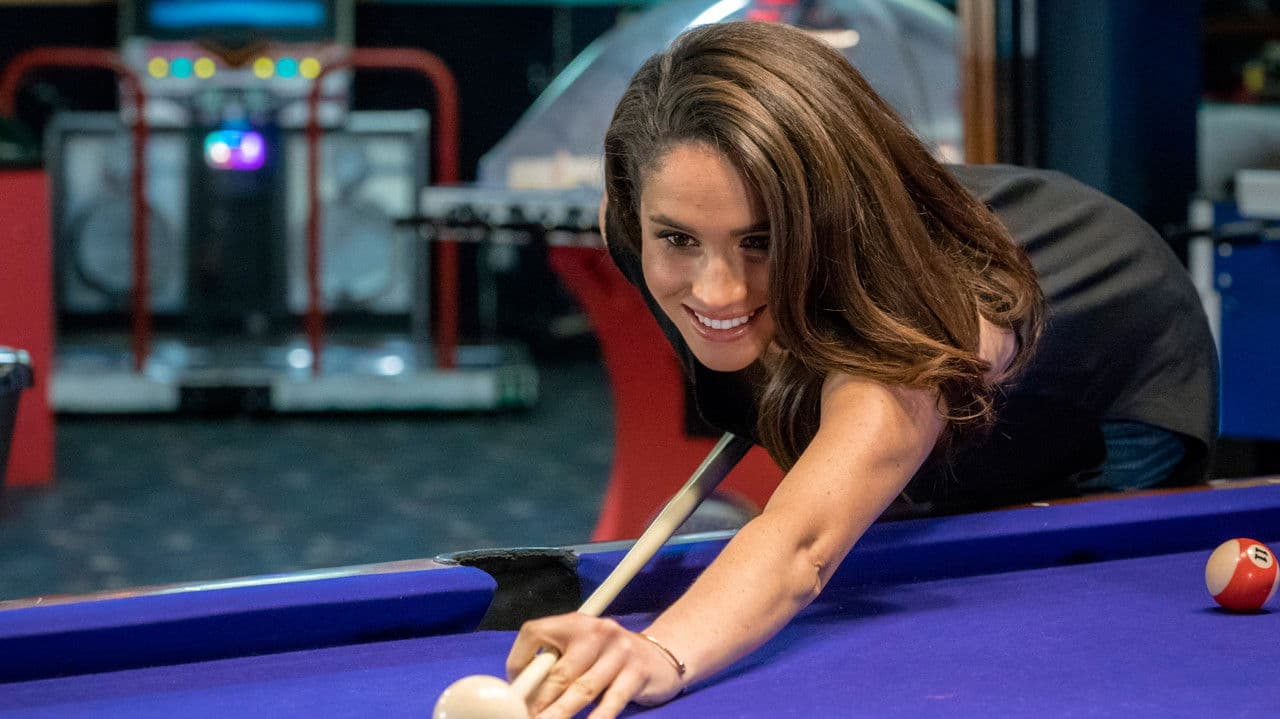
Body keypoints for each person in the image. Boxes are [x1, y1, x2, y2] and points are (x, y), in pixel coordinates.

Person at [506, 20, 1218, 719]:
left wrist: (662, 650)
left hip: (1111, 373)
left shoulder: (922, 314)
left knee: (1047, 624)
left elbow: (804, 544)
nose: (717, 290)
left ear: (825, 217)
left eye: (761, 240)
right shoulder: (635, 218)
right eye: (679, 240)